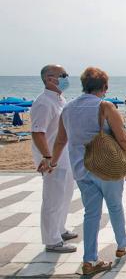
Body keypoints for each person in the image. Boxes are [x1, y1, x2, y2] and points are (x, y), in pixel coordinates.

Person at [39, 67, 126, 275]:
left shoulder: (68, 108)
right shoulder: (106, 107)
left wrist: (52, 163)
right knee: (115, 207)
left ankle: (90, 260)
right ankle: (123, 245)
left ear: (84, 85)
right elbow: (122, 138)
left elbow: (61, 140)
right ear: (104, 87)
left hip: (81, 169)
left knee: (91, 214)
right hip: (108, 168)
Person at [31, 64, 78, 253]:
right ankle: (52, 240)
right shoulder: (43, 102)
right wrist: (47, 156)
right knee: (52, 197)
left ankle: (60, 229)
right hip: (52, 158)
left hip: (64, 155)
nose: (67, 78)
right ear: (50, 79)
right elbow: (37, 132)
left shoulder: (59, 99)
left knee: (65, 194)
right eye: (63, 75)